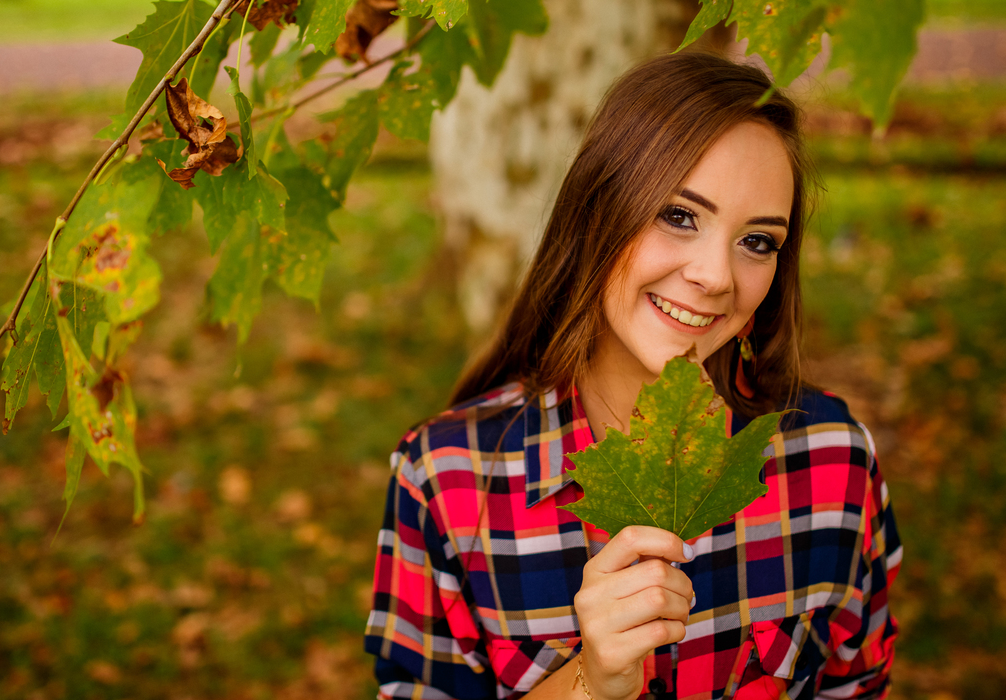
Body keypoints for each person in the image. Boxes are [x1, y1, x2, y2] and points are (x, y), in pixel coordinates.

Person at [363, 52, 900, 700]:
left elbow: (858, 685)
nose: (715, 276)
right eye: (679, 215)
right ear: (599, 211)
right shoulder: (447, 481)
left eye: (757, 241)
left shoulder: (832, 459)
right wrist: (587, 682)